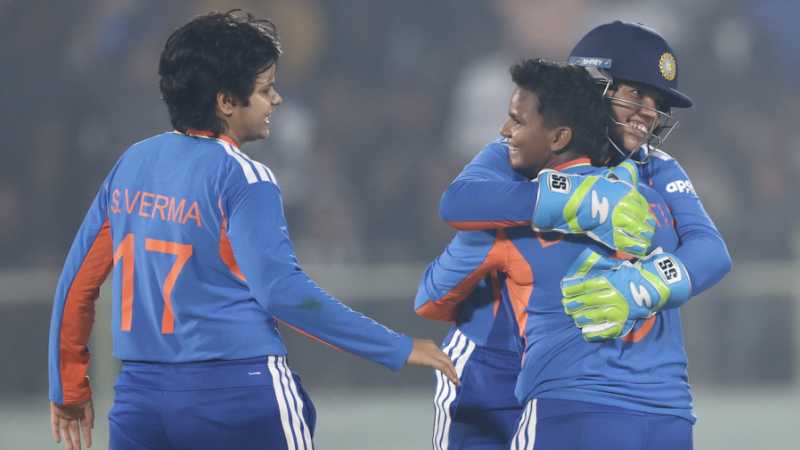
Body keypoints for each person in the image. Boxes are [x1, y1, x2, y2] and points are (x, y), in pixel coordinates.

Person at [47, 10, 458, 450]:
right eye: (265, 89)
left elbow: (76, 284)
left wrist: (68, 388)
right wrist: (395, 346)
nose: (276, 100)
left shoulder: (131, 165)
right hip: (239, 393)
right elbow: (281, 292)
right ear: (226, 102)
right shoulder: (243, 177)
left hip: (140, 403)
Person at [418, 58, 697, 450]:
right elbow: (704, 259)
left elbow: (430, 297)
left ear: (558, 135)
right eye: (635, 95)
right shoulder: (654, 205)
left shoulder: (508, 221)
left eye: (517, 120)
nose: (504, 132)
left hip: (563, 403)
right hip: (666, 414)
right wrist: (652, 283)